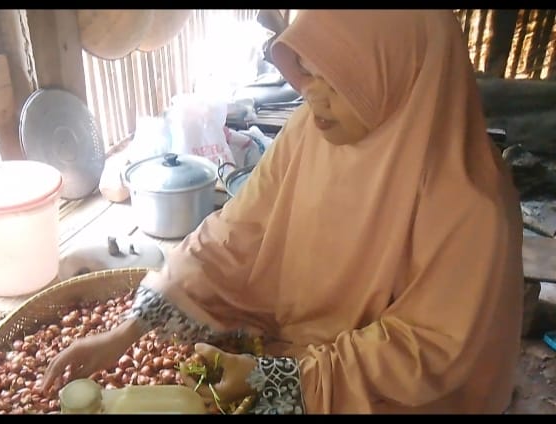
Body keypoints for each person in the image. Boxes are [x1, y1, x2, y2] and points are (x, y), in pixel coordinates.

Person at [43, 10, 525, 414]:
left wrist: (284, 379)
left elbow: (429, 354)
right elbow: (237, 233)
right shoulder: (309, 133)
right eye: (306, 69)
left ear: (400, 70)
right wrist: (129, 330)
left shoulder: (470, 203)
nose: (311, 92)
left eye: (337, 77)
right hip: (316, 355)